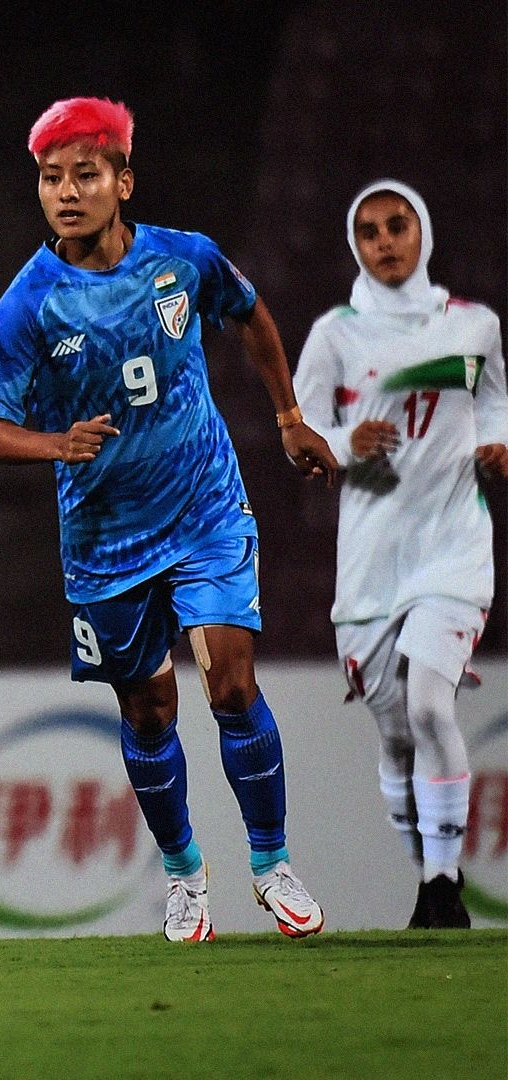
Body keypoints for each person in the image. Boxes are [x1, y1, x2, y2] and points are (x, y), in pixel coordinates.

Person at [0, 97, 340, 942]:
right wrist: (55, 444)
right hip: (105, 538)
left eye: (84, 175)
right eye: (50, 178)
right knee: (147, 713)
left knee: (233, 683)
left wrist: (287, 419)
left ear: (122, 182)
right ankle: (182, 872)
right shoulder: (26, 307)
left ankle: (271, 861)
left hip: (205, 504)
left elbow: (252, 319)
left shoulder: (185, 261)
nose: (66, 192)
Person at [292, 179, 505, 929]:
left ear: (423, 234)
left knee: (428, 704)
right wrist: (349, 443)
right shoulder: (336, 335)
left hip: (452, 548)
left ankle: (443, 885)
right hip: (372, 563)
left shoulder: (474, 326)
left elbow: (496, 400)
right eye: (372, 231)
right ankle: (427, 867)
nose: (386, 242)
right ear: (356, 244)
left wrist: (497, 440)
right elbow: (304, 434)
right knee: (394, 731)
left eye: (398, 226)